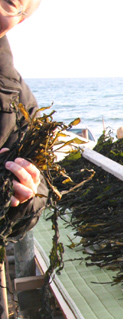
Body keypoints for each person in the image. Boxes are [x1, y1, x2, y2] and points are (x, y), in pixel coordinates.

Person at [0, 0, 47, 239]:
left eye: (9, 2)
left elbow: (40, 195)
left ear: (20, 19)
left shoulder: (19, 101)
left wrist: (26, 196)